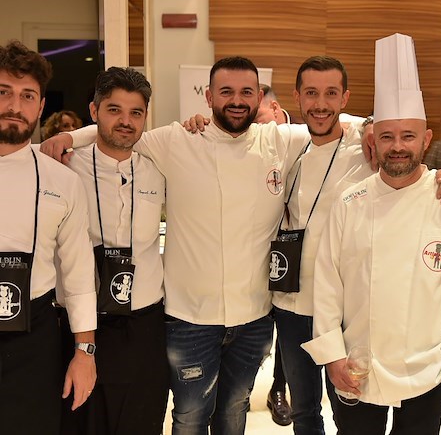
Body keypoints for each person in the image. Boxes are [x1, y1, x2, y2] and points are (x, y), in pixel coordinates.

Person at [41, 56, 311, 435]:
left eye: (246, 92)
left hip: (253, 317)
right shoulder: (177, 140)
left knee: (235, 410)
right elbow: (120, 133)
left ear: (260, 97)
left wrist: (371, 133)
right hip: (188, 318)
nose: (236, 100)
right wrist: (70, 136)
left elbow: (333, 126)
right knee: (188, 417)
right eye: (226, 91)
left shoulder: (278, 141)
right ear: (208, 96)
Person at [302, 33, 441, 435]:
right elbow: (328, 283)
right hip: (356, 367)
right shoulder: (350, 201)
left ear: (426, 139)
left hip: (428, 371)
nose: (397, 147)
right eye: (387, 136)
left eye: (408, 136)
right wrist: (331, 357)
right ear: (373, 141)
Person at [58, 67, 168, 434]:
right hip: (82, 325)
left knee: (142, 422)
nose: (125, 121)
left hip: (145, 325)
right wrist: (68, 137)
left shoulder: (159, 169)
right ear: (94, 111)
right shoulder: (64, 169)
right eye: (113, 110)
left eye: (135, 112)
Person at [272, 56, 374, 434]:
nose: (320, 104)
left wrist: (370, 124)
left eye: (331, 93)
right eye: (311, 93)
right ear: (296, 97)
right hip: (291, 303)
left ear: (345, 98)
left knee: (351, 408)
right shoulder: (287, 146)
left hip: (343, 307)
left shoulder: (365, 149)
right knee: (304, 411)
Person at [0, 40, 97, 434]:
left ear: (41, 107)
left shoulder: (62, 181)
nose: (14, 106)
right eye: (4, 92)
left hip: (33, 332)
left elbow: (77, 275)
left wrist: (84, 352)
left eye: (27, 96)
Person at [249, 83, 293, 426]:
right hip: (257, 246)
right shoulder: (248, 142)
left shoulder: (306, 138)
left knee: (290, 324)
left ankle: (279, 387)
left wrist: (368, 124)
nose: (254, 125)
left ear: (276, 109)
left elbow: (353, 123)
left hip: (299, 248)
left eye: (260, 116)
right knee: (260, 320)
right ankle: (245, 381)